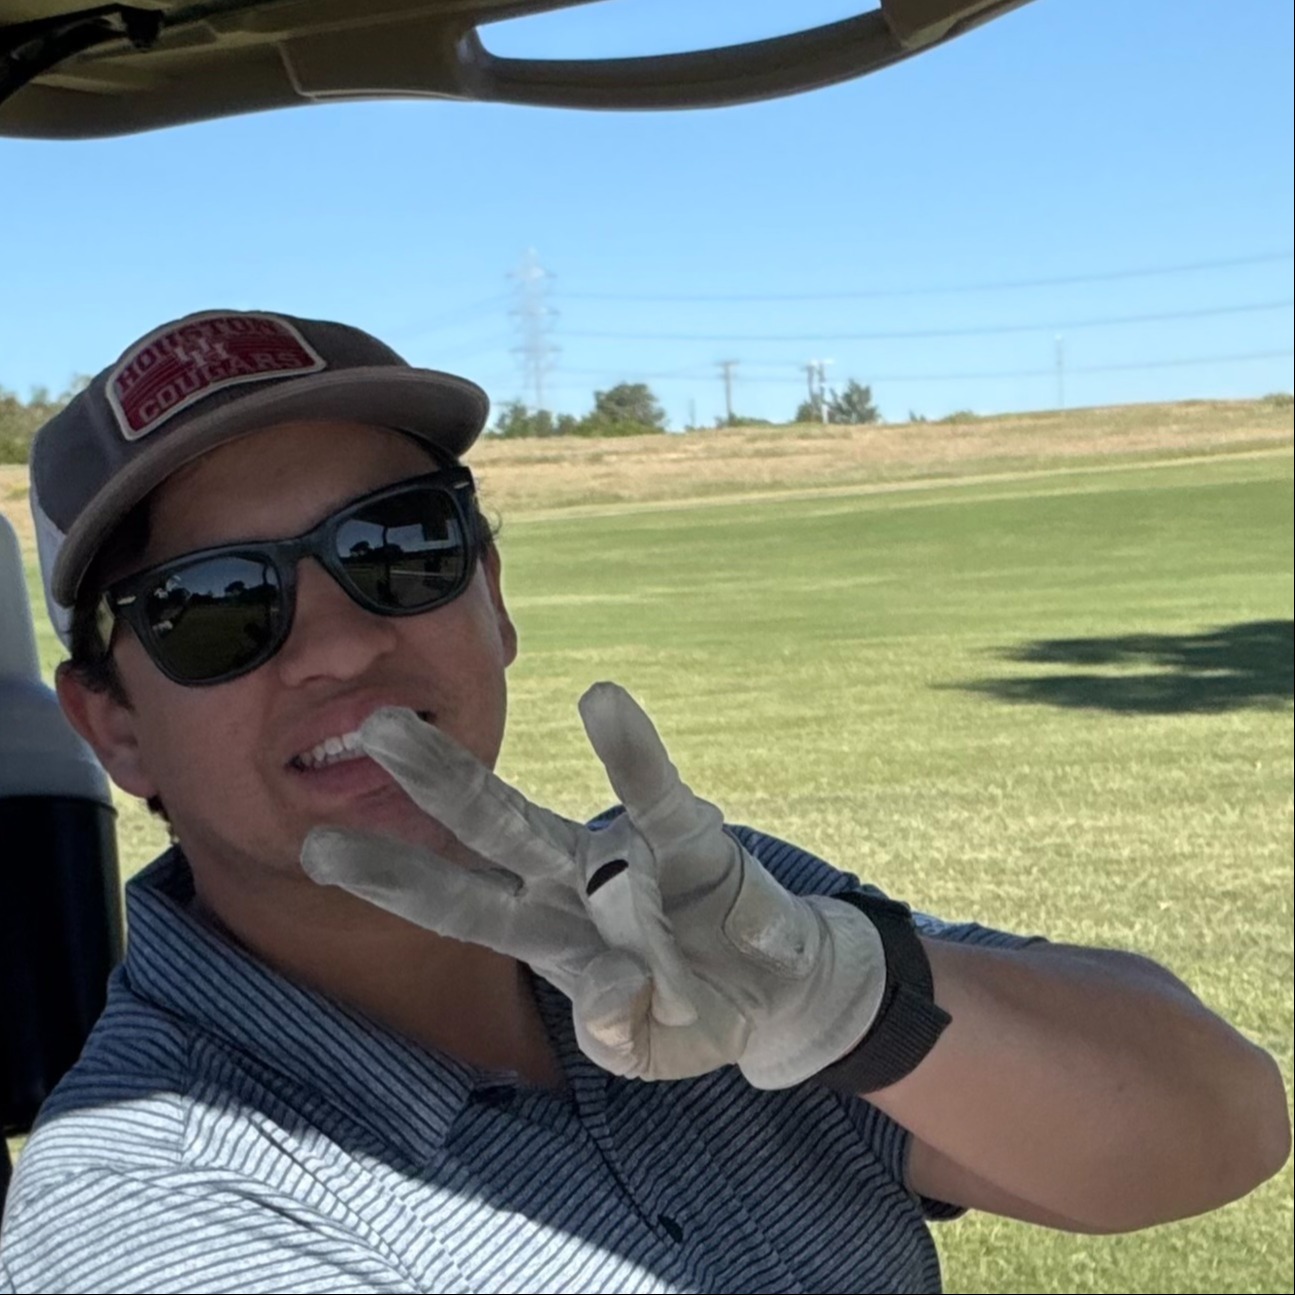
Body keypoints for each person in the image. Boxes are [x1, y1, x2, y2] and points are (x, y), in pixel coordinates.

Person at [0, 309, 1287, 1295]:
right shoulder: (146, 1203)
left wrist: (852, 995)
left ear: (492, 597)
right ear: (115, 725)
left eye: (397, 544)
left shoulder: (700, 913)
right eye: (214, 604)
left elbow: (1216, 1132)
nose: (337, 642)